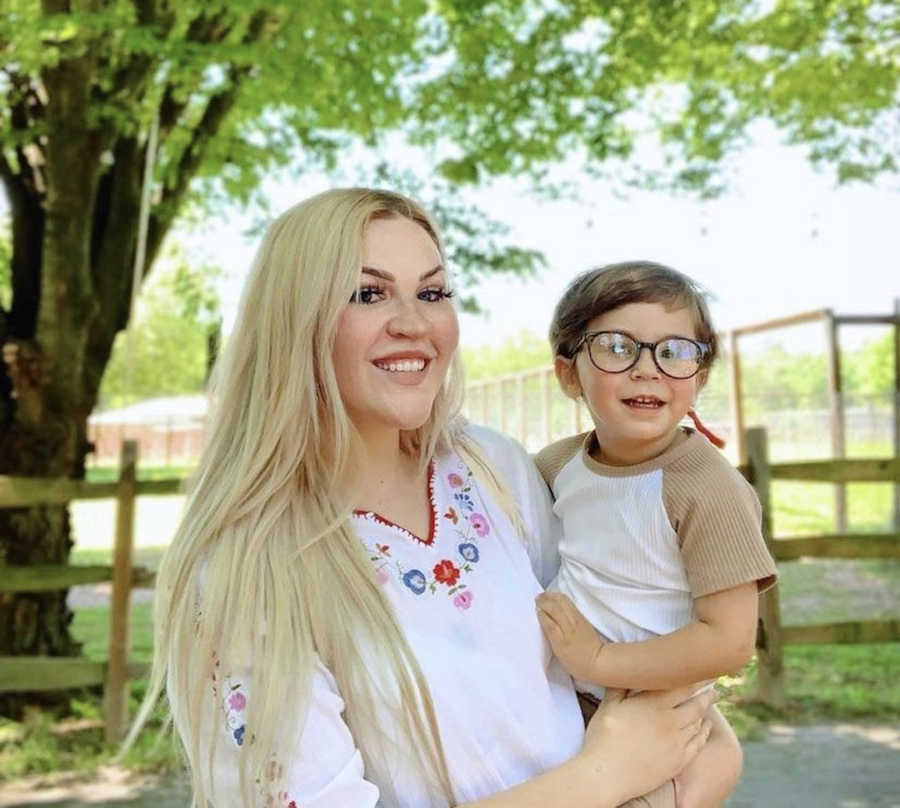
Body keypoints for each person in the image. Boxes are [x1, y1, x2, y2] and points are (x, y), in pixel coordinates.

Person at [129, 191, 716, 808]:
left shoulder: (495, 470)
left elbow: (645, 692)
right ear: (294, 320)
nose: (414, 323)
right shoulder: (248, 573)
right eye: (368, 293)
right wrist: (606, 777)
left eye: (432, 293)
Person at [534, 261, 778, 808]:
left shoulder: (709, 491)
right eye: (617, 348)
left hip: (661, 728)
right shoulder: (556, 468)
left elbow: (729, 640)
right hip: (568, 712)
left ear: (701, 374)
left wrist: (597, 659)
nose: (648, 370)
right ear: (569, 374)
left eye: (674, 352)